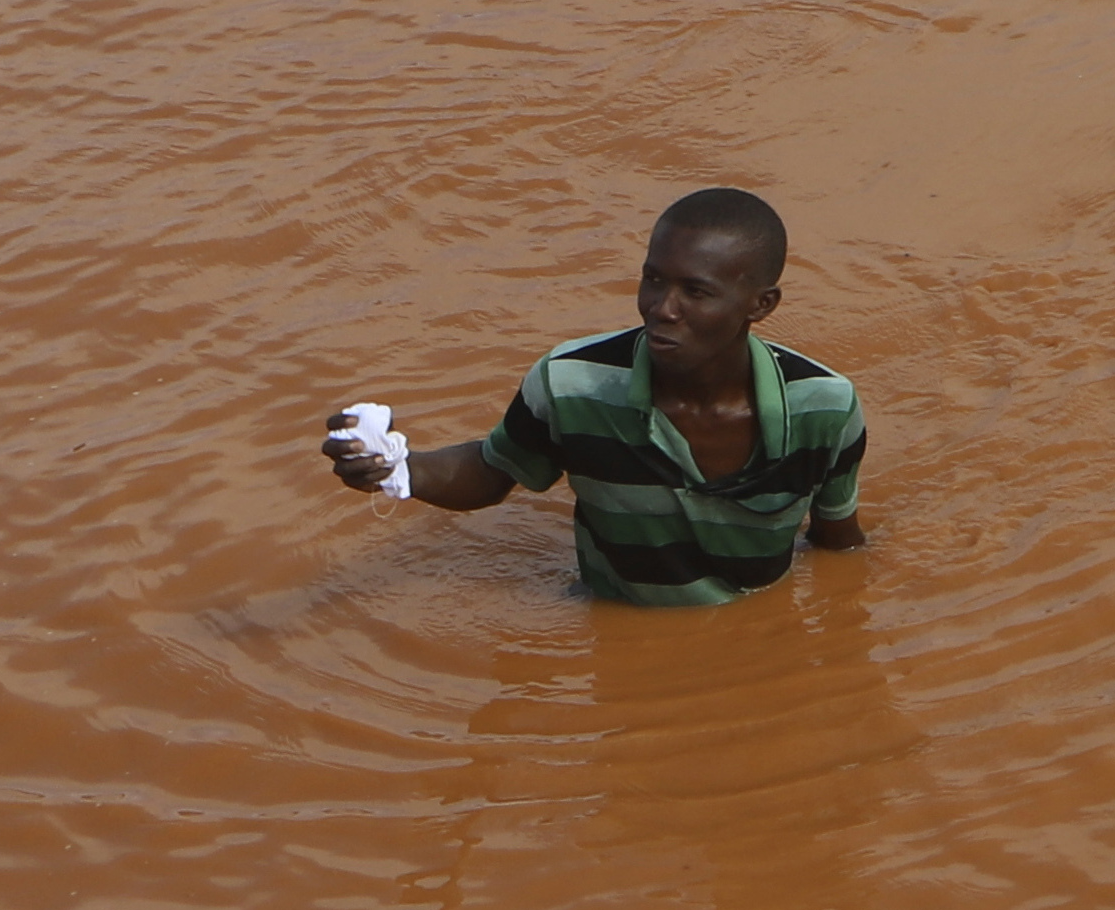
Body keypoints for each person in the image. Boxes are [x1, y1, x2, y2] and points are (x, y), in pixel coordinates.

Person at [323, 186, 870, 606]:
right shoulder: (570, 386)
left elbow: (837, 540)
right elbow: (492, 472)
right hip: (617, 618)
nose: (662, 307)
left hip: (755, 642)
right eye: (653, 280)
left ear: (761, 304)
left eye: (696, 292)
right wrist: (398, 470)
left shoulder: (823, 408)